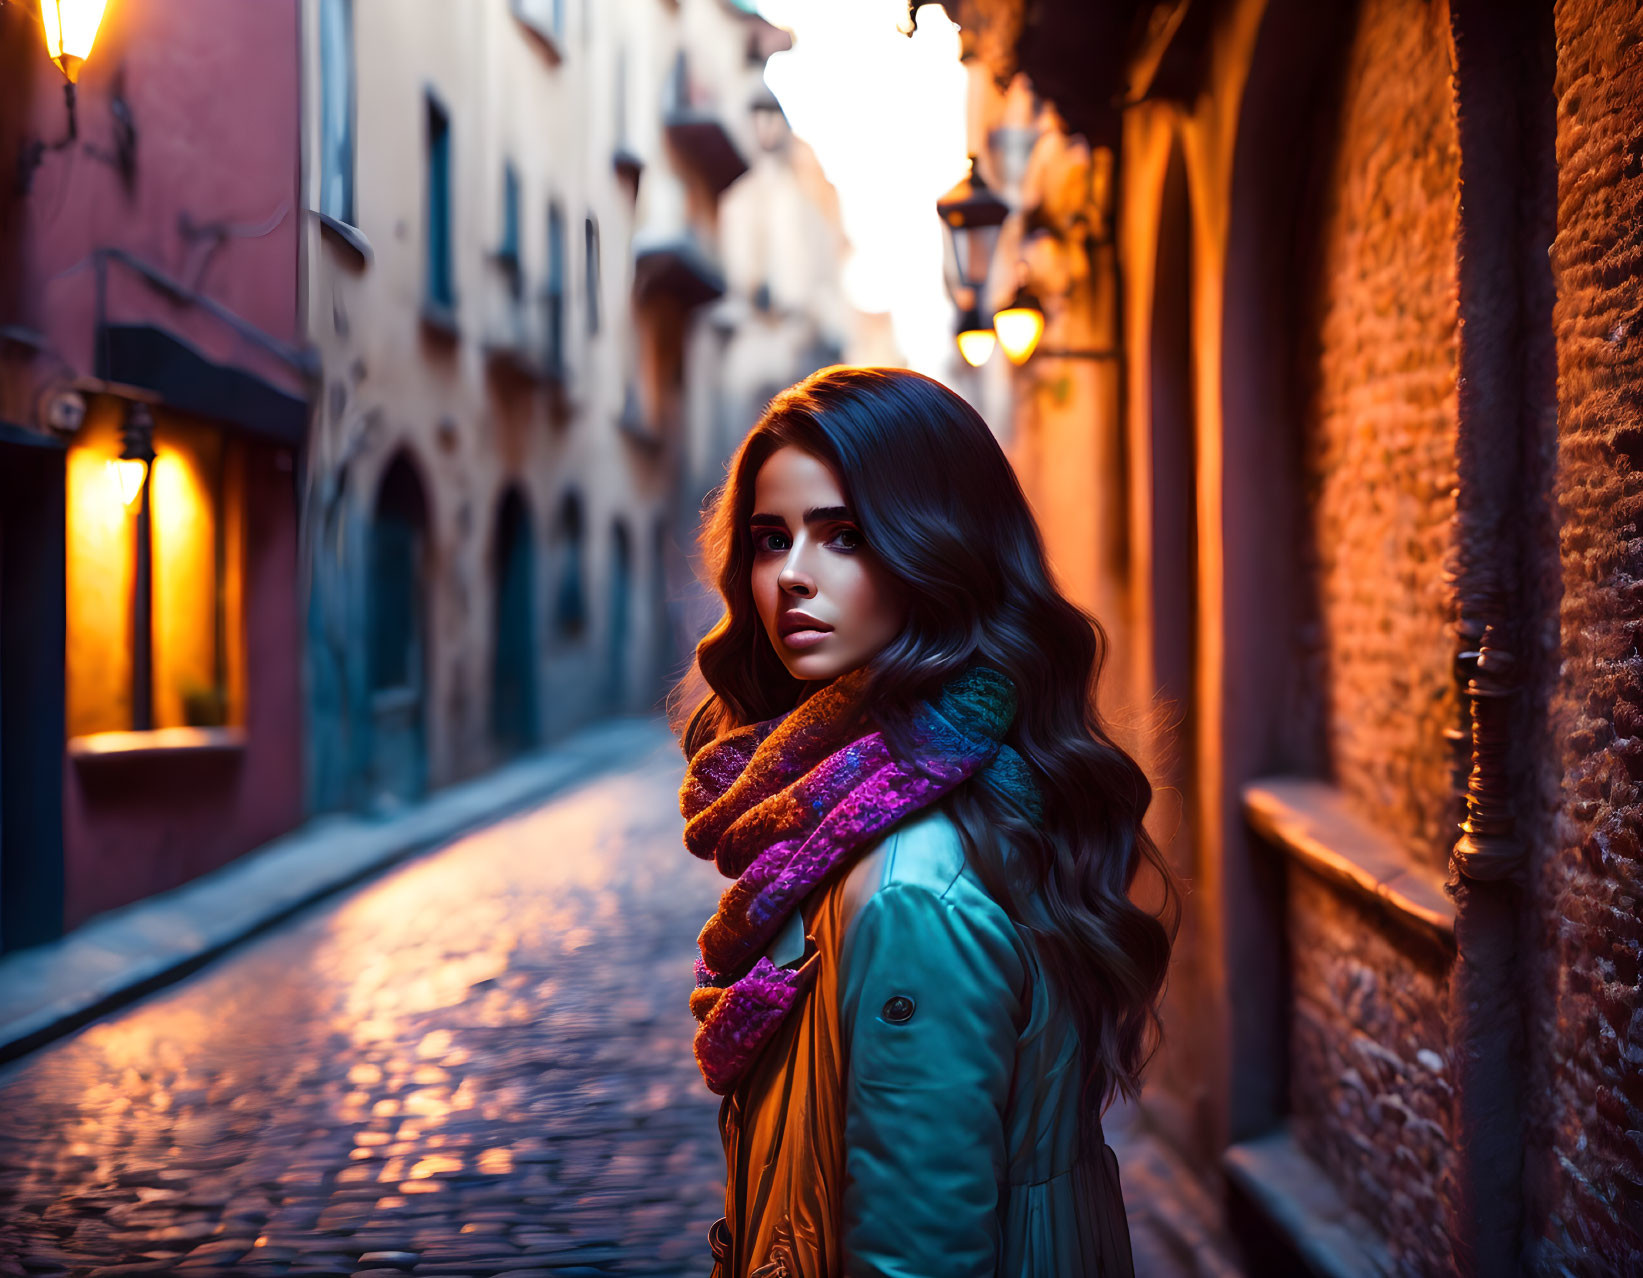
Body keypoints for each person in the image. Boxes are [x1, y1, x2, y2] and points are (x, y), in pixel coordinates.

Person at [669, 365, 1180, 1277]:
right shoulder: (908, 801)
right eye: (768, 538)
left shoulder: (913, 886)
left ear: (937, 552)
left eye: (845, 536)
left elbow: (918, 1256)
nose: (792, 576)